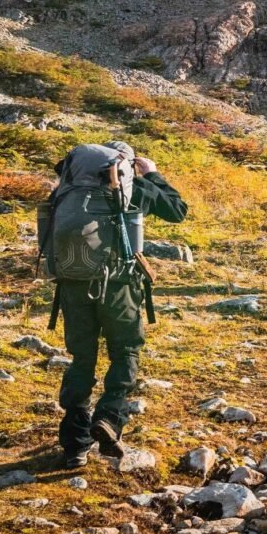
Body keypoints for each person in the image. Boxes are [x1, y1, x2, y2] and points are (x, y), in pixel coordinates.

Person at [44, 141, 187, 469]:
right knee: (125, 351)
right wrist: (152, 175)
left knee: (82, 358)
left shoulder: (66, 190)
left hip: (72, 285)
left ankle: (74, 446)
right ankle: (109, 417)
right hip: (118, 284)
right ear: (123, 166)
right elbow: (177, 210)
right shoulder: (128, 186)